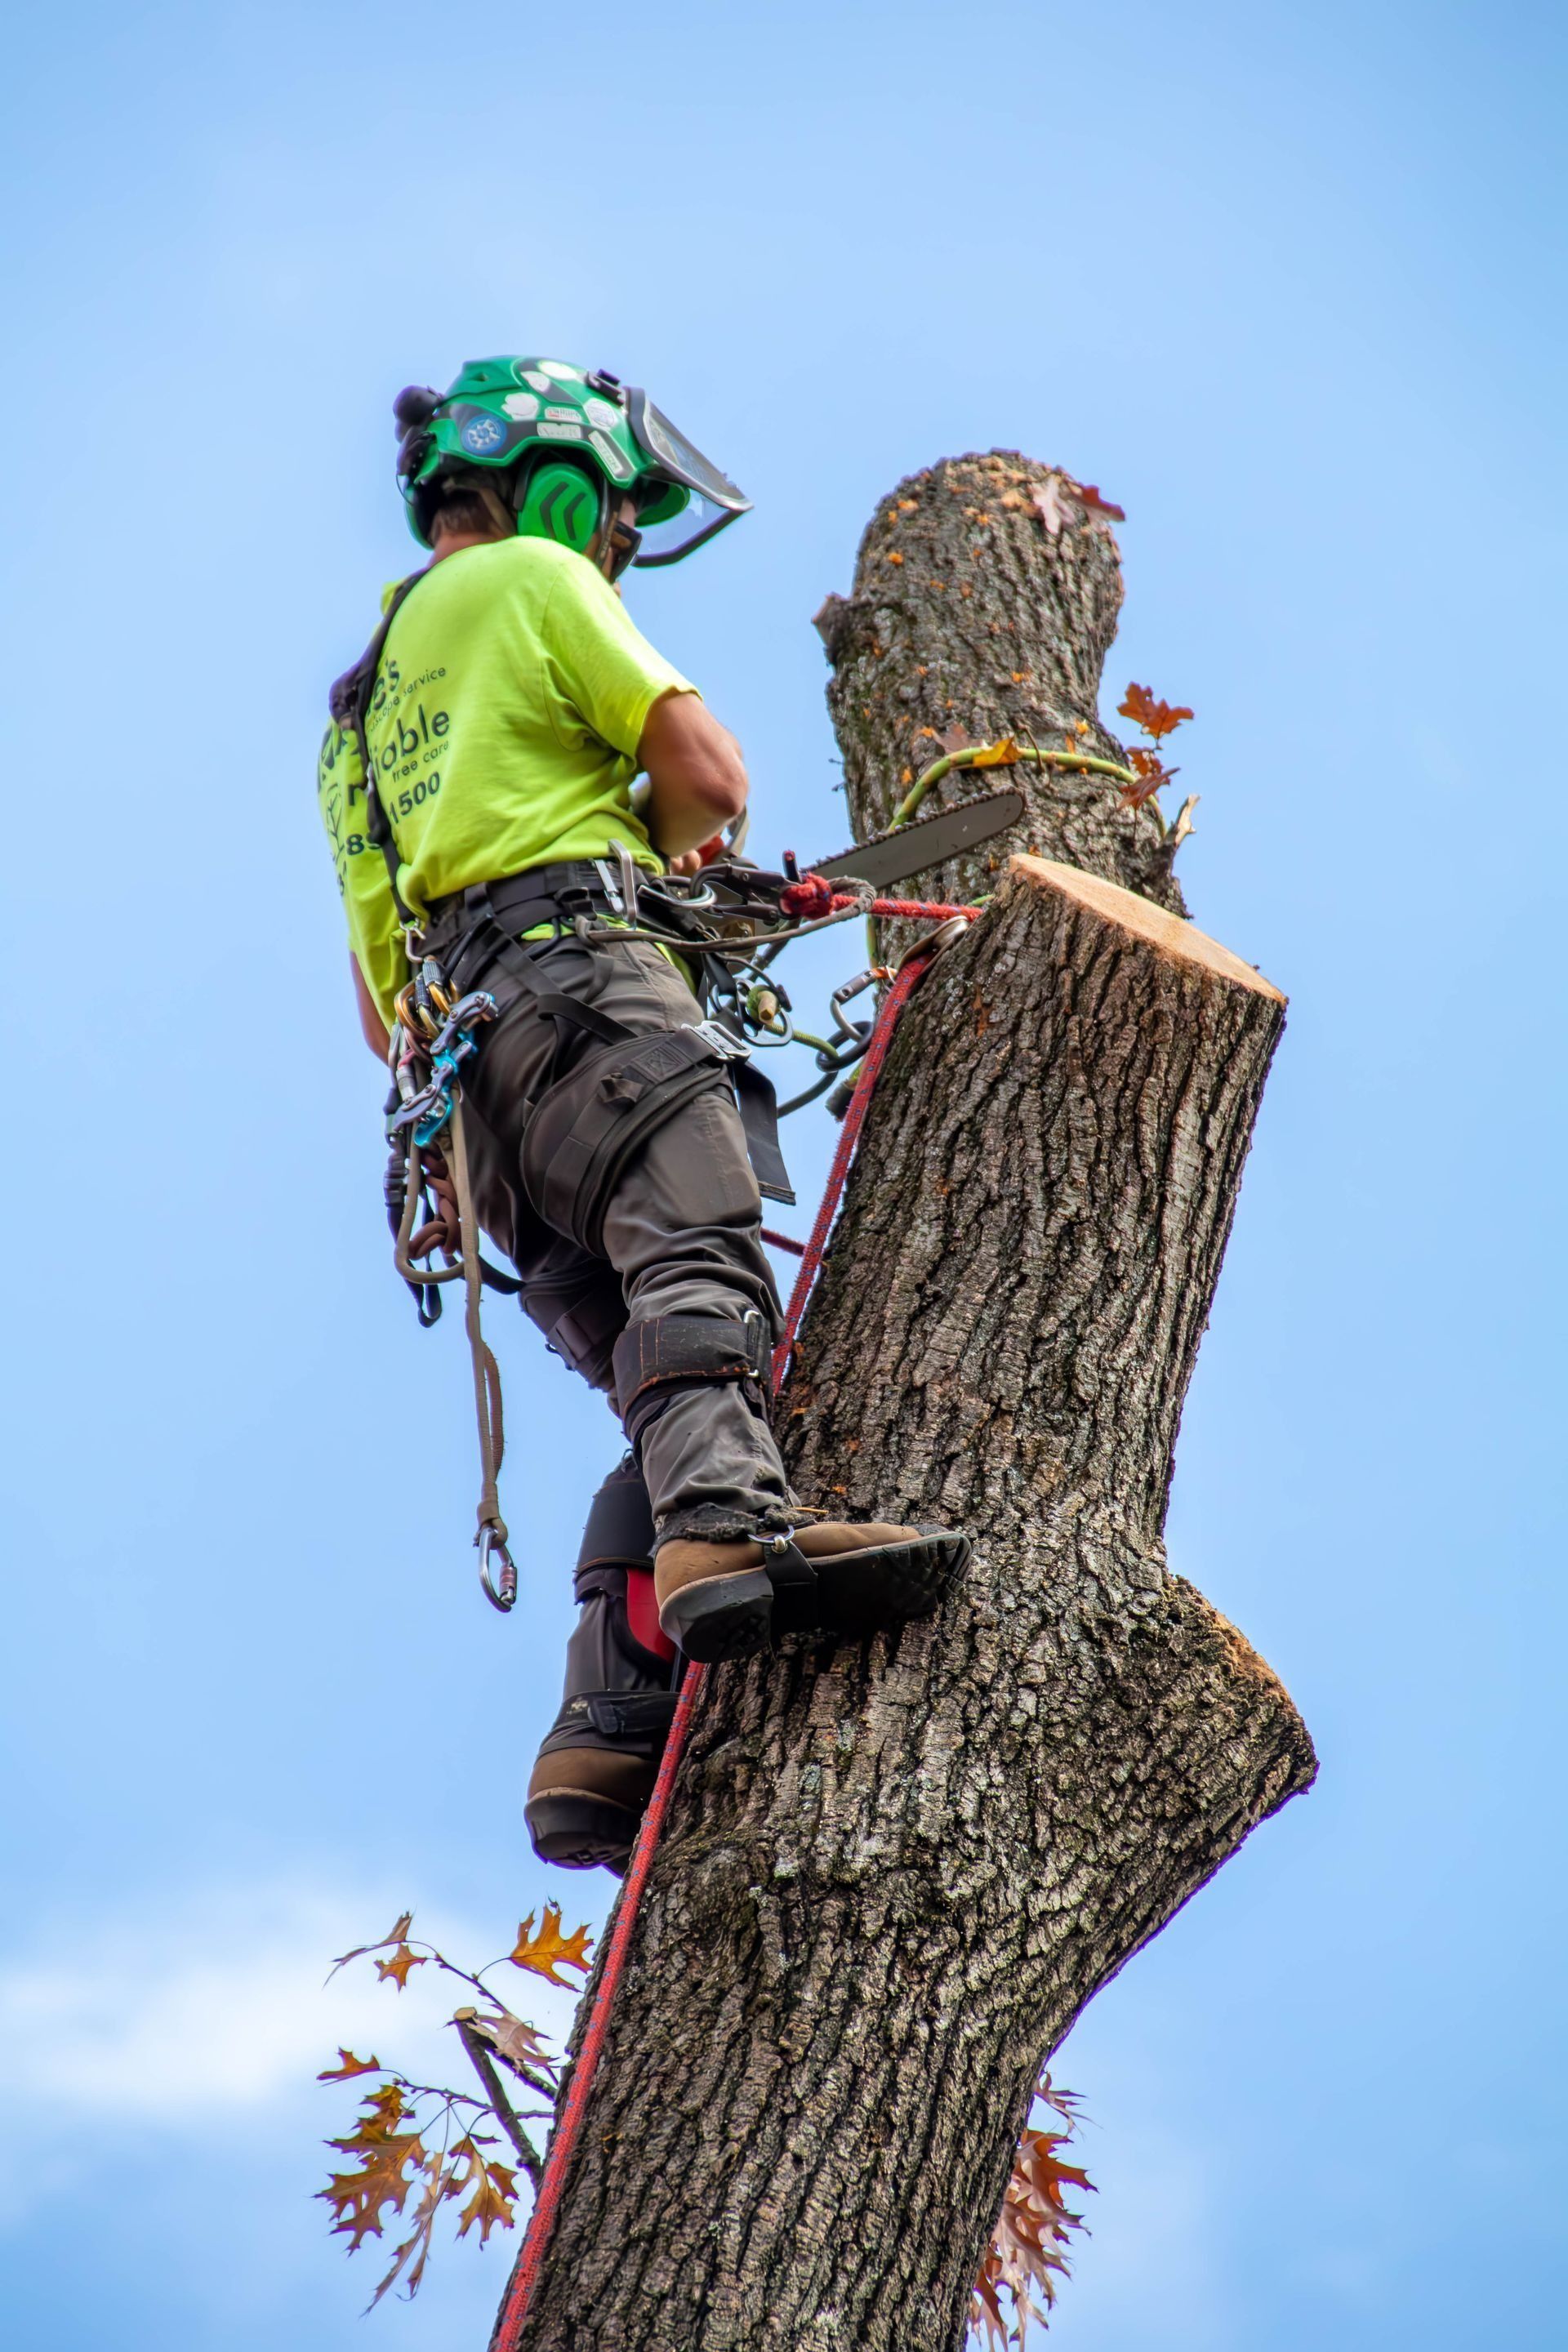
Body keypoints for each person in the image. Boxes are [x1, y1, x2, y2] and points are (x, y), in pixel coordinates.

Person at [317, 356, 969, 1871]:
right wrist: (659, 883)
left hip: (475, 1117)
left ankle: (601, 1732)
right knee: (705, 1267)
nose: (609, 540)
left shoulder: (353, 719)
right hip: (588, 998)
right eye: (609, 510)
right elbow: (704, 772)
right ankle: (731, 1537)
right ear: (555, 486)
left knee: (667, 1387)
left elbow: (378, 1012)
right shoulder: (538, 576)